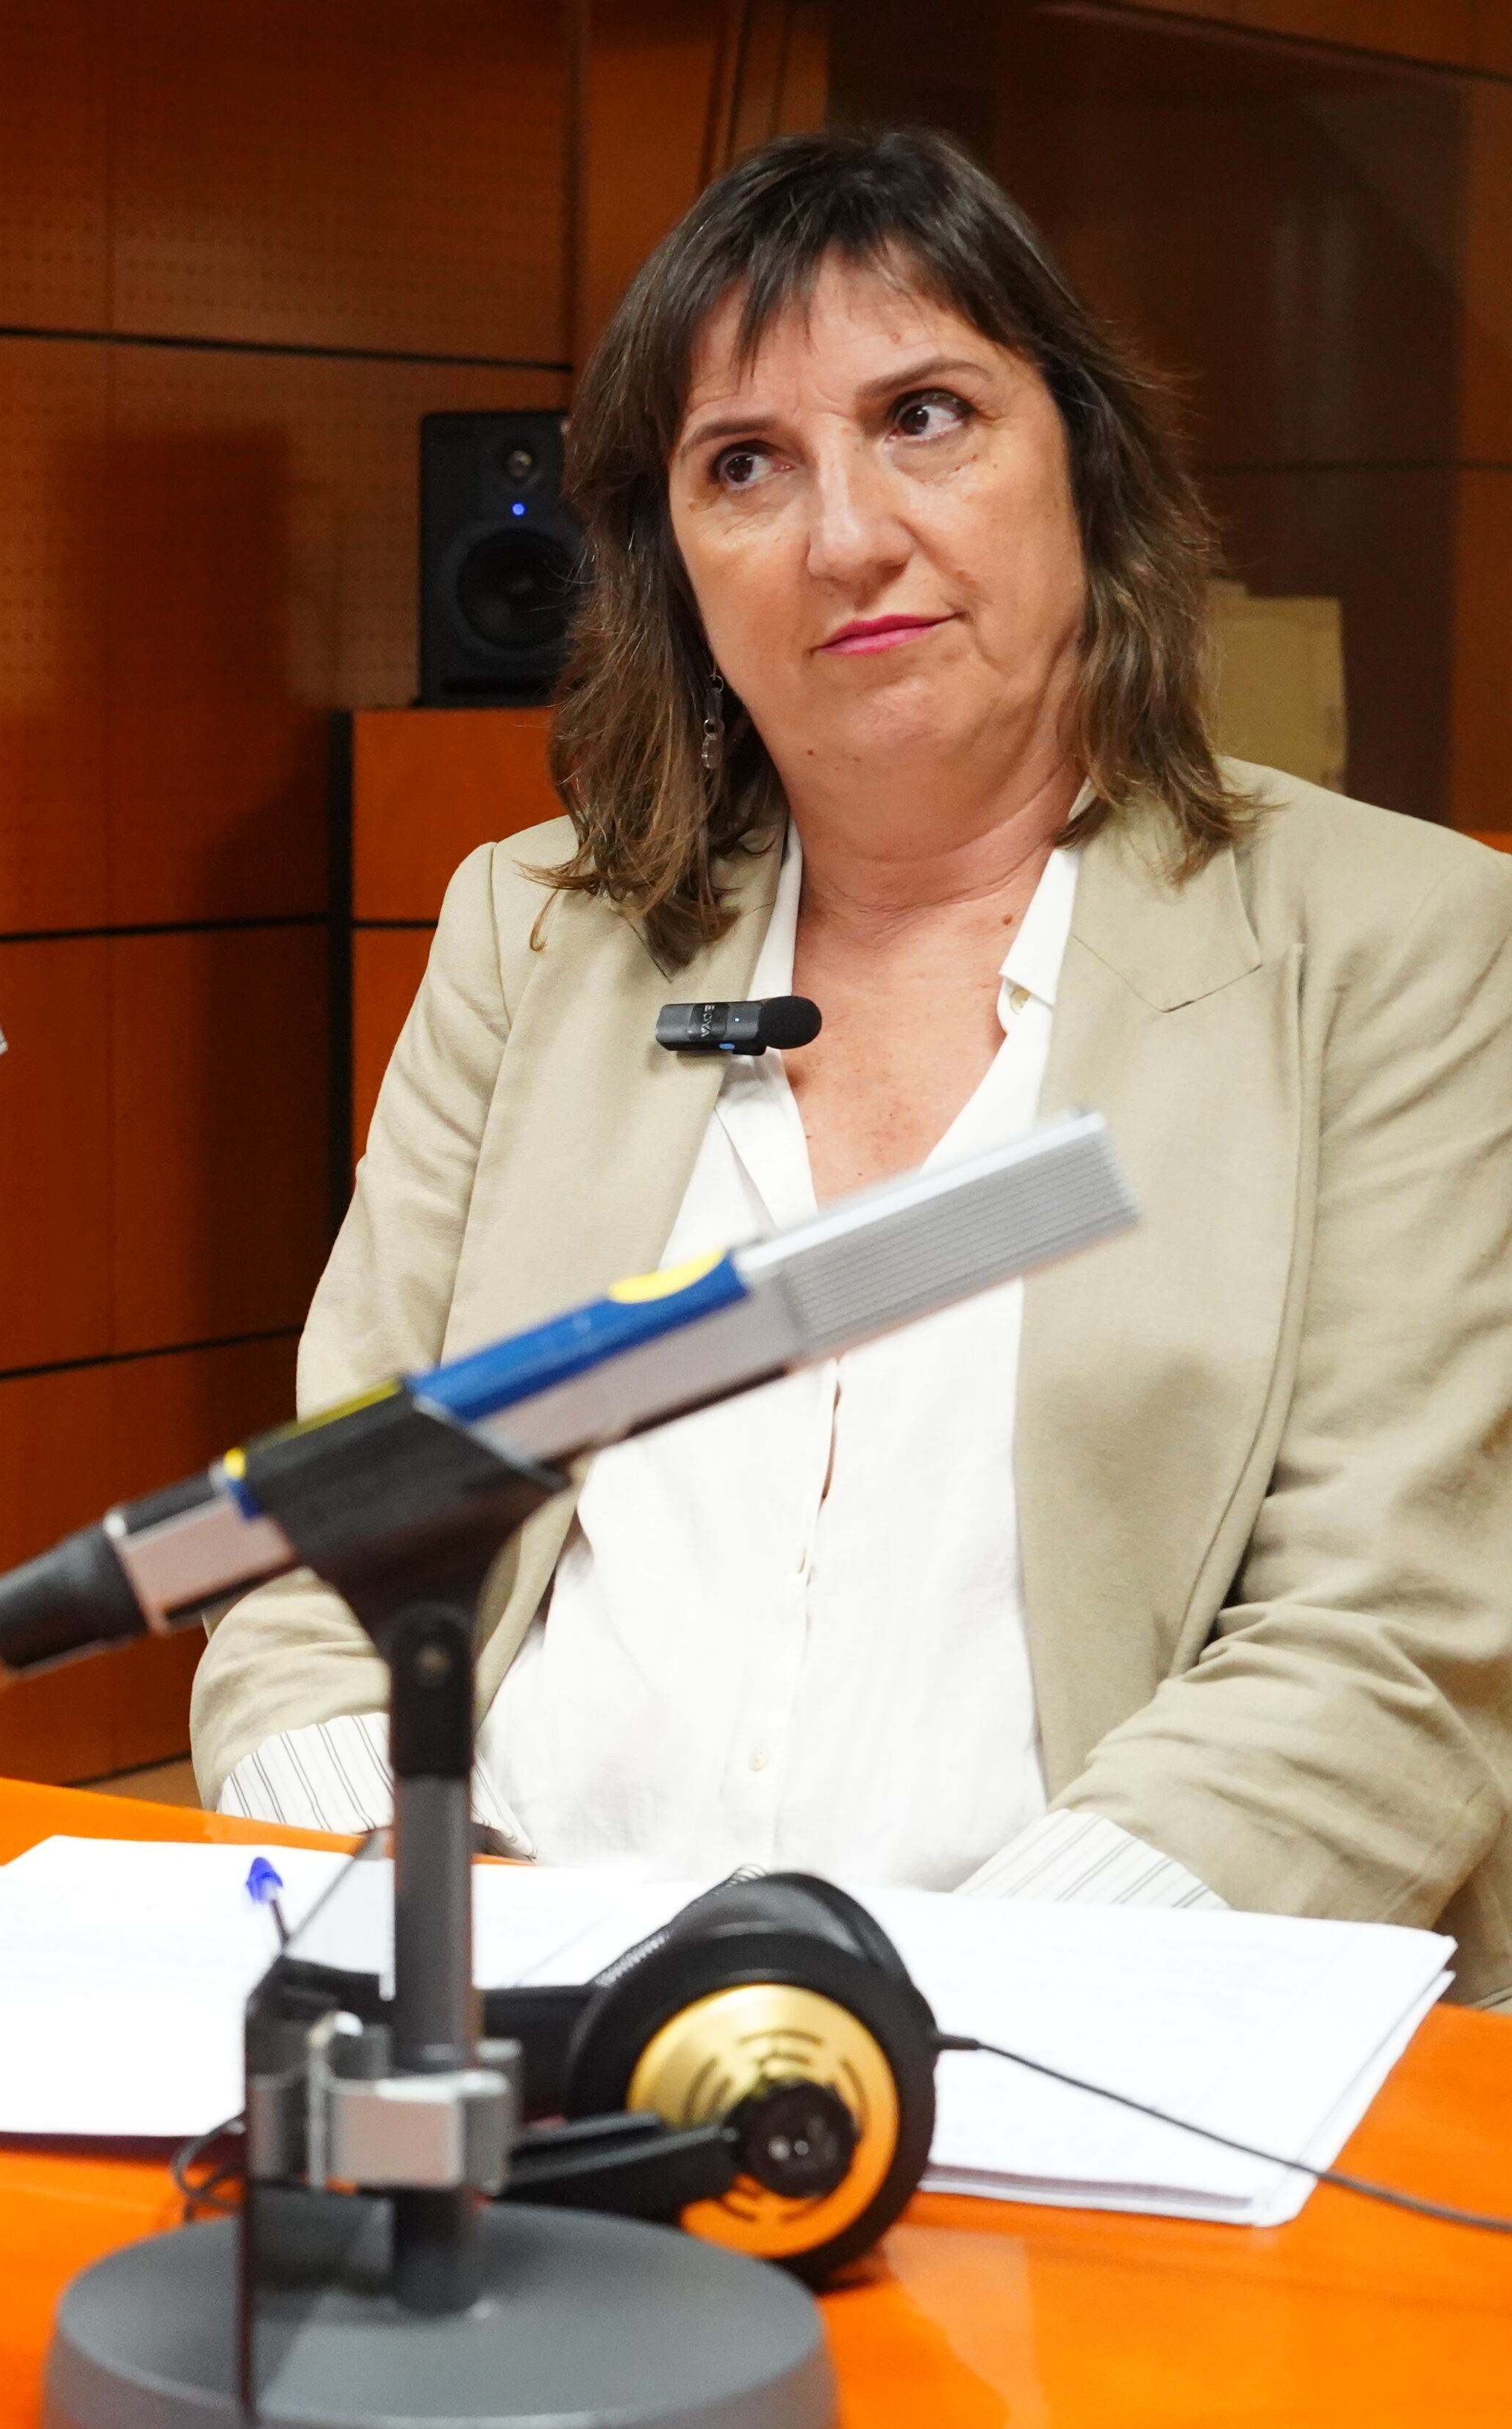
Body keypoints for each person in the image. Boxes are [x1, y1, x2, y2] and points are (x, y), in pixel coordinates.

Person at [192, 128, 1512, 1997]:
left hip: (1088, 2034)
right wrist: (428, 1926)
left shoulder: (1398, 942)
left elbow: (1395, 1648)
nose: (846, 534)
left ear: (1086, 468)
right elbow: (324, 1550)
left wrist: (910, 2019)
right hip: (515, 2005)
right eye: (746, 464)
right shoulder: (529, 931)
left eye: (927, 417)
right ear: (675, 567)